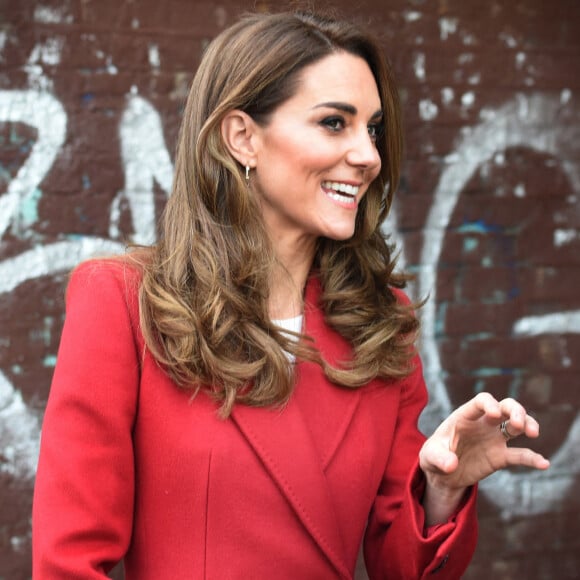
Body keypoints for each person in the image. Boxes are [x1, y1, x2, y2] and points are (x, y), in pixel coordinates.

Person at [32, 9, 550, 580]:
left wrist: (444, 487)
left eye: (372, 129)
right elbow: (69, 563)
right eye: (335, 123)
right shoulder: (125, 305)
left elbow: (400, 567)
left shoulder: (381, 325)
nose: (368, 156)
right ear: (242, 137)